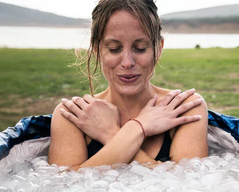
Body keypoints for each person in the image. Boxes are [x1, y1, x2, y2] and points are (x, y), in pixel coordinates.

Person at [48, 0, 208, 170]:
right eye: (114, 48)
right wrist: (140, 127)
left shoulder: (185, 108)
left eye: (140, 48)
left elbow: (188, 184)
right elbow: (64, 185)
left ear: (158, 48)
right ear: (97, 50)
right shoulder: (72, 116)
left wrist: (111, 133)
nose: (127, 62)